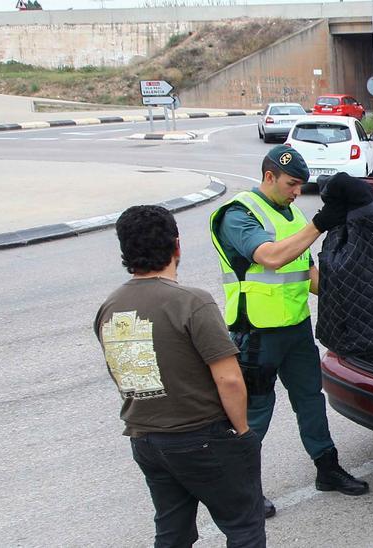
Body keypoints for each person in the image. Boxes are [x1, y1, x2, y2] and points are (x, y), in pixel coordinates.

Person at [209, 145, 369, 519]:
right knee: (255, 414)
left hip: (296, 328)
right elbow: (270, 257)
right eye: (292, 184)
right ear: (269, 176)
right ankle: (243, 492)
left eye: (301, 185)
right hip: (257, 333)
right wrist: (320, 224)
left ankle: (327, 469)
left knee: (311, 400)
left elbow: (309, 277)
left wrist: (360, 295)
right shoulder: (238, 214)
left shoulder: (293, 214)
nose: (297, 191)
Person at [95, 205, 265, 547]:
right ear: (177, 245)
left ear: (125, 251)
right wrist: (243, 432)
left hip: (145, 439)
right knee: (244, 525)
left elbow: (122, 370)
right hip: (201, 435)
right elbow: (229, 379)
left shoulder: (110, 306)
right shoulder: (192, 302)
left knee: (172, 532)